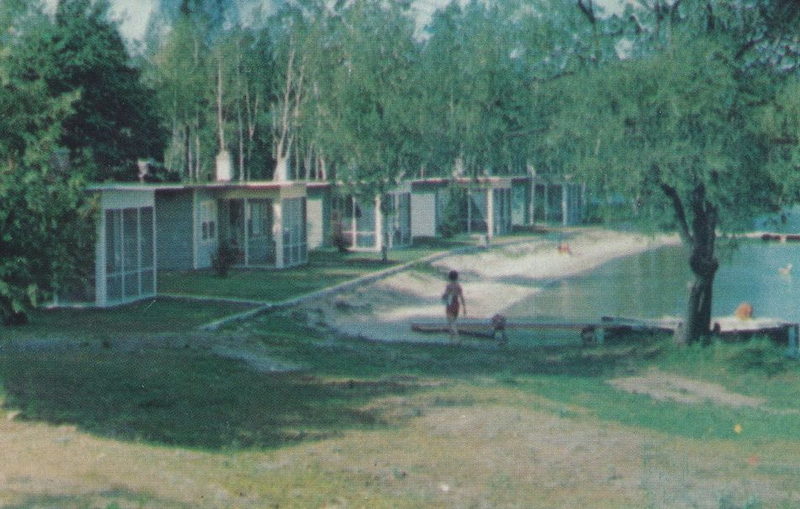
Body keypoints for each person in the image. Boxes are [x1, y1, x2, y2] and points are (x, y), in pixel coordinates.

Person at [442, 270, 466, 341]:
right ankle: (451, 340)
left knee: (451, 323)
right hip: (456, 304)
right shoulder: (459, 286)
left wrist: (443, 297)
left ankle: (457, 337)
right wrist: (464, 308)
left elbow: (446, 295)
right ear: (457, 277)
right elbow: (461, 297)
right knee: (453, 321)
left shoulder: (449, 286)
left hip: (450, 304)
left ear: (449, 277)